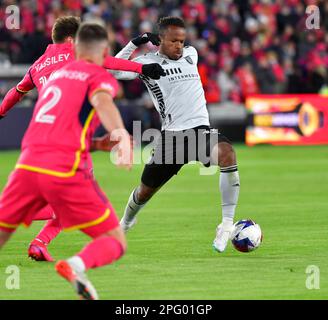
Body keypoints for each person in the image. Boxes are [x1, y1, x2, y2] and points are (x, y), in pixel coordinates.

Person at [0, 16, 165, 262]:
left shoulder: (38, 65)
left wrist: (1, 112)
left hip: (35, 146)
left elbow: (17, 92)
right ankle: (73, 262)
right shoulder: (78, 59)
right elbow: (105, 65)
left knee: (33, 209)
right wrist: (142, 67)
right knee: (106, 233)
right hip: (69, 149)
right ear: (71, 40)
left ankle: (38, 240)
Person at [0, 22, 133, 300]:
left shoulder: (49, 74)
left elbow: (57, 125)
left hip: (26, 165)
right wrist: (120, 136)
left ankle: (41, 242)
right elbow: (103, 101)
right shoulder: (95, 74)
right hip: (65, 169)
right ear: (103, 51)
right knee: (113, 241)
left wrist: (95, 144)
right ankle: (75, 266)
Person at [114, 16, 240, 253]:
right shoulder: (146, 62)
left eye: (182, 41)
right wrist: (136, 42)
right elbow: (112, 71)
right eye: (173, 41)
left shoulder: (192, 54)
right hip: (171, 138)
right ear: (160, 39)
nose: (179, 46)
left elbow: (186, 50)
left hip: (200, 131)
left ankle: (226, 224)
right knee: (144, 191)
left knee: (227, 154)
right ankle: (126, 222)